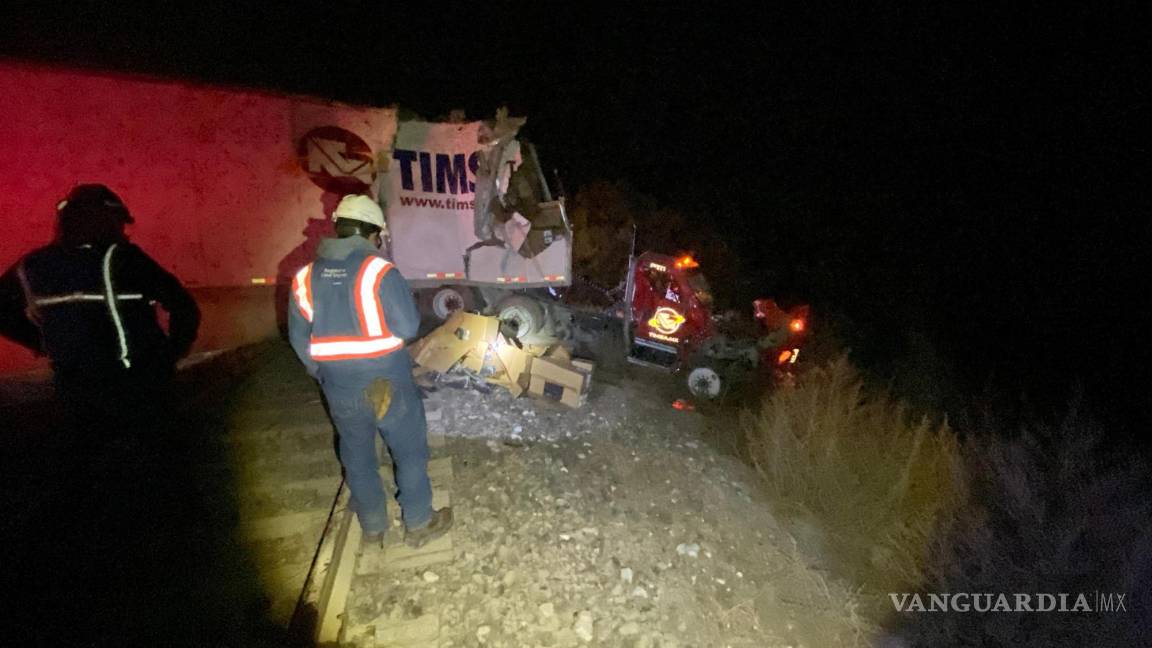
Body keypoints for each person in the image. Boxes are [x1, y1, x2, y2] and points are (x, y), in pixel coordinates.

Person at [0, 183, 202, 643]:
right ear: (109, 219)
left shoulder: (34, 265)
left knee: (90, 473)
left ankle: (96, 569)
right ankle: (171, 560)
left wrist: (40, 343)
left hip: (77, 385)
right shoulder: (122, 259)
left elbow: (2, 309)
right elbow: (183, 305)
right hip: (139, 384)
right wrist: (170, 353)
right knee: (162, 466)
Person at [288, 194, 452, 548]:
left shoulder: (304, 277)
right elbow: (408, 326)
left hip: (338, 384)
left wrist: (323, 372)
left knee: (357, 452)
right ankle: (419, 523)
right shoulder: (378, 270)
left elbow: (299, 337)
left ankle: (374, 526)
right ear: (373, 233)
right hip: (385, 378)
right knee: (408, 450)